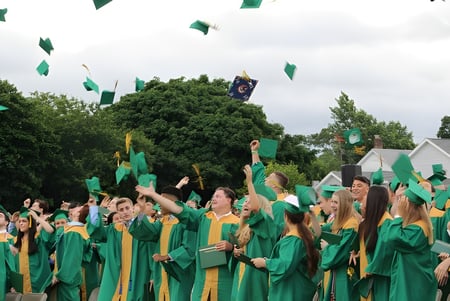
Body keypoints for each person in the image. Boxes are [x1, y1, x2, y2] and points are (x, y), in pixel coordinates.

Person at [136, 183, 240, 301]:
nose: (213, 198)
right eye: (213, 196)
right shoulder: (203, 217)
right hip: (201, 280)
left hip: (224, 279)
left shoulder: (237, 223)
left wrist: (231, 247)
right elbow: (178, 209)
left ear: (229, 200)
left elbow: (243, 249)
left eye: (218, 196)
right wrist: (149, 199)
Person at [252, 186, 320, 301]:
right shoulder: (305, 234)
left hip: (290, 291)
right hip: (299, 288)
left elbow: (285, 265)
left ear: (286, 216)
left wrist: (265, 262)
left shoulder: (293, 239)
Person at [129, 187, 196, 301]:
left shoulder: (187, 222)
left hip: (179, 273)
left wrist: (167, 256)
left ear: (172, 203)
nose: (158, 203)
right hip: (162, 272)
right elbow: (147, 232)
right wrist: (141, 210)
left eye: (161, 200)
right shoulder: (163, 222)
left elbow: (190, 247)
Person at [383, 180, 437, 301]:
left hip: (414, 282)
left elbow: (392, 238)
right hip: (409, 279)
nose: (400, 206)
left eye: (402, 203)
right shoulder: (415, 226)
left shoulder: (419, 228)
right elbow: (387, 236)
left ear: (409, 206)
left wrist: (398, 216)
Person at [88, 197, 151, 301]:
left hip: (136, 274)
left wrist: (142, 208)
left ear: (133, 209)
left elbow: (143, 223)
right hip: (117, 275)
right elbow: (96, 231)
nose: (125, 212)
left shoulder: (140, 228)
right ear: (117, 212)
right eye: (121, 210)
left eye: (127, 208)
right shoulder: (113, 230)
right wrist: (96, 209)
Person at [230, 165, 277, 300]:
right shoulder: (247, 226)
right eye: (245, 202)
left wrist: (250, 182)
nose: (245, 204)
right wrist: (239, 252)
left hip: (257, 275)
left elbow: (256, 208)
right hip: (243, 273)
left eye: (249, 202)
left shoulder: (267, 222)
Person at [351, 185, 394, 301]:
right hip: (367, 275)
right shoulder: (370, 223)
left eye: (367, 196)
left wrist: (372, 267)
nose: (364, 199)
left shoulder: (387, 222)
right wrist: (356, 252)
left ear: (374, 201)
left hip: (379, 278)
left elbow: (385, 252)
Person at [320, 189, 360, 301]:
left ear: (345, 204)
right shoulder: (339, 221)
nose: (332, 205)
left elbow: (343, 251)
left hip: (344, 274)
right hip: (337, 272)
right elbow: (322, 230)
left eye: (336, 202)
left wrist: (327, 248)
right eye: (332, 201)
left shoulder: (351, 224)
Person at [52, 204, 93, 301]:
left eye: (79, 208)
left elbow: (72, 258)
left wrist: (59, 276)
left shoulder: (75, 232)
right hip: (68, 278)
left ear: (78, 214)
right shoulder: (72, 229)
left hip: (67, 280)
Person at [250, 139, 289, 238]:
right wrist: (254, 151)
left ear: (274, 185)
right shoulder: (266, 196)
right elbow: (258, 175)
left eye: (268, 178)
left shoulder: (281, 204)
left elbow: (274, 231)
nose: (265, 179)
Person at [12, 207, 54, 293]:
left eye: (24, 221)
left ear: (30, 223)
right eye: (19, 221)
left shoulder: (38, 239)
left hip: (36, 282)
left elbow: (50, 230)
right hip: (20, 285)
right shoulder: (15, 241)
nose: (21, 224)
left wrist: (38, 218)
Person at [0, 205, 16, 298]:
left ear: (7, 222)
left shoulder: (11, 240)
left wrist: (14, 283)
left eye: (0, 215)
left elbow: (12, 264)